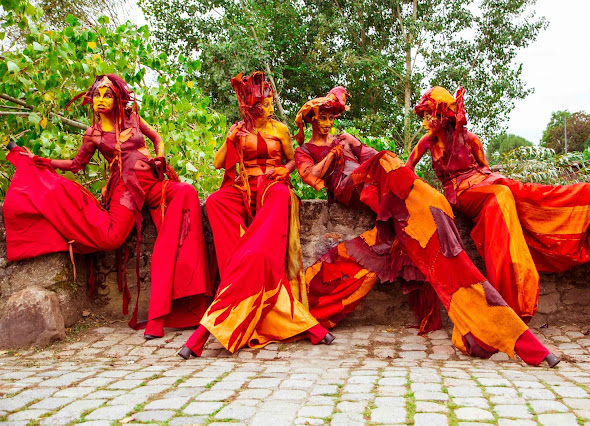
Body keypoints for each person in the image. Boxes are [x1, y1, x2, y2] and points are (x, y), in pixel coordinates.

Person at [293, 87, 560, 367]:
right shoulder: (305, 150)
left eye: (330, 116)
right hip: (349, 190)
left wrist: (354, 144)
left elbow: (372, 155)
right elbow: (312, 178)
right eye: (322, 117)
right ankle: (426, 201)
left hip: (377, 189)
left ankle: (503, 328)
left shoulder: (345, 140)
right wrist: (333, 156)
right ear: (311, 120)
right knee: (386, 161)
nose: (327, 122)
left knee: (406, 201)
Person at [3, 74, 212, 339]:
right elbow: (76, 165)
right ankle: (157, 311)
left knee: (186, 192)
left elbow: (157, 137)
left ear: (117, 99)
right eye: (97, 95)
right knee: (111, 238)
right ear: (90, 99)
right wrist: (40, 160)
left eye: (107, 95)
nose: (101, 100)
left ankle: (190, 301)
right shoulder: (93, 134)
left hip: (151, 181)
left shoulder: (133, 118)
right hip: (125, 190)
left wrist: (159, 157)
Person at [406, 86, 590, 322]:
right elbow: (408, 170)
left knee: (530, 194)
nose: (427, 121)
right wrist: (423, 193)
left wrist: (486, 180)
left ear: (445, 116)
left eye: (430, 115)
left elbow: (484, 168)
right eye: (425, 116)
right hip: (463, 194)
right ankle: (512, 294)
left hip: (485, 183)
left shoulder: (471, 139)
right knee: (503, 194)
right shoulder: (427, 142)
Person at [178, 72, 333, 359]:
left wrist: (285, 170)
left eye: (272, 102)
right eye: (265, 103)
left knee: (280, 201)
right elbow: (218, 163)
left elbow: (291, 158)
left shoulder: (281, 131)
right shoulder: (238, 130)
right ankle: (239, 271)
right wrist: (229, 138)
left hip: (273, 189)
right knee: (214, 202)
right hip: (244, 189)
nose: (271, 108)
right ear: (251, 108)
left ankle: (229, 293)